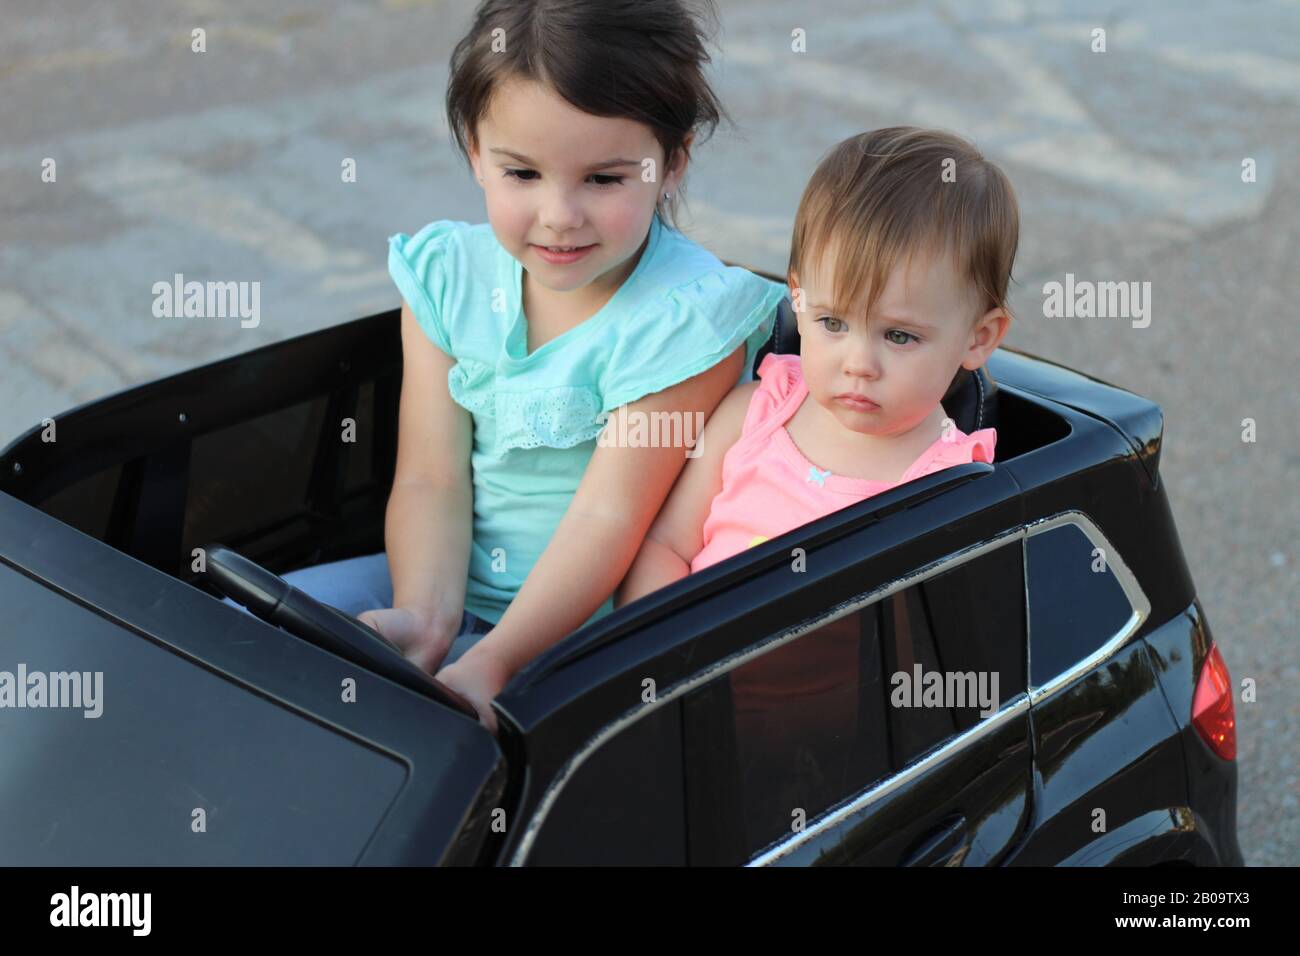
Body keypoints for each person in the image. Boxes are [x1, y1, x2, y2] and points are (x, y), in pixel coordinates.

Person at [225, 0, 786, 733]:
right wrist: (425, 615)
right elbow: (431, 474)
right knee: (236, 629)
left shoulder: (685, 317)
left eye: (604, 179)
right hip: (443, 578)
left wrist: (497, 660)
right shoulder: (449, 276)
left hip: (589, 624)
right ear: (473, 150)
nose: (559, 214)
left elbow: (611, 515)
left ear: (671, 164)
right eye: (522, 172)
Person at [616, 126, 1018, 605]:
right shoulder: (756, 415)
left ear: (979, 338)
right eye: (832, 322)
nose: (860, 364)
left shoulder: (946, 488)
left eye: (899, 336)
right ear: (799, 300)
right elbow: (664, 546)